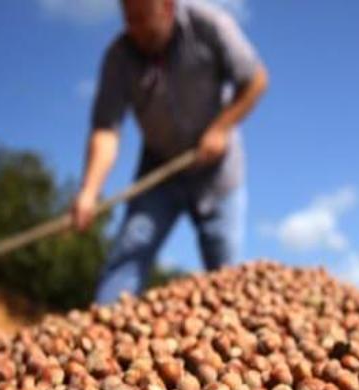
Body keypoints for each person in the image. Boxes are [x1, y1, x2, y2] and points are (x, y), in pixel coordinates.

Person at [72, 0, 268, 303]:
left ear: (166, 6)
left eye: (142, 18)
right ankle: (102, 320)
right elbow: (106, 130)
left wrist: (221, 128)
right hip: (160, 169)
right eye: (128, 18)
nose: (134, 28)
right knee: (129, 251)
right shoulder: (118, 57)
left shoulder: (209, 23)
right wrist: (89, 190)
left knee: (227, 273)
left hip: (218, 170)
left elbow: (255, 80)